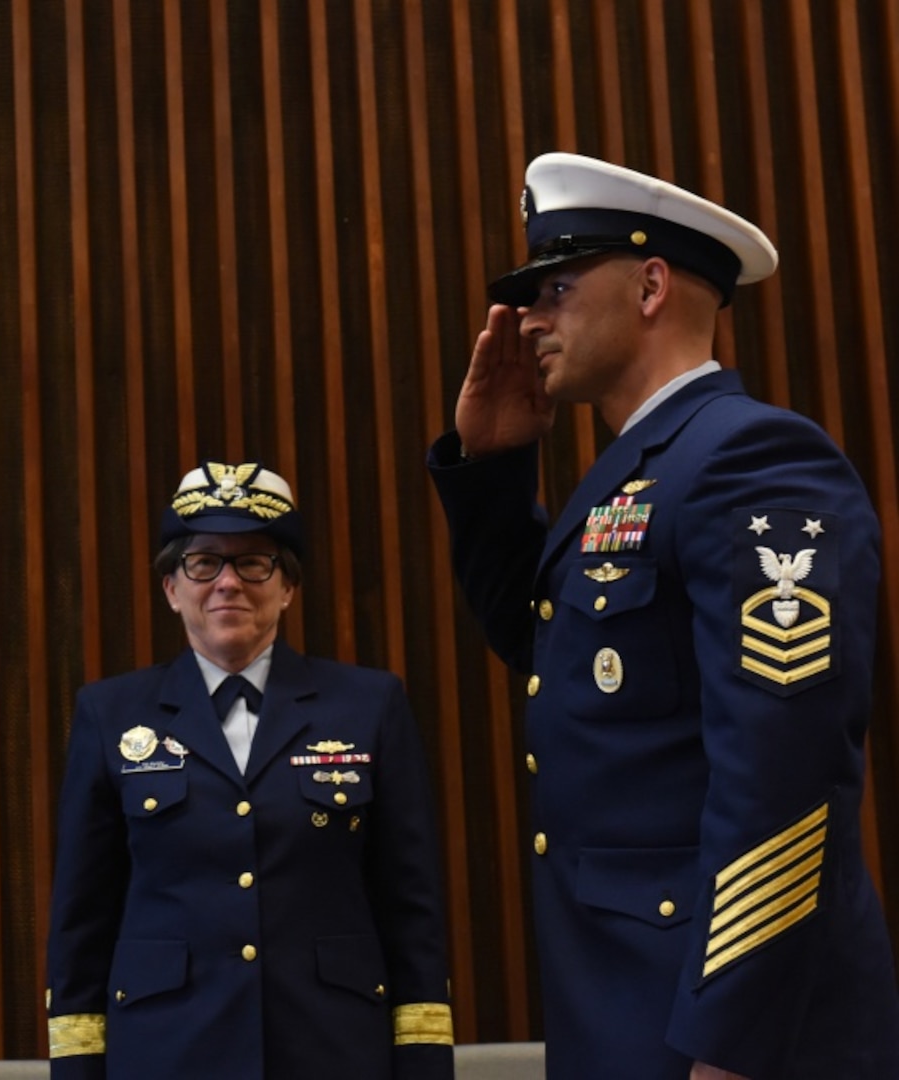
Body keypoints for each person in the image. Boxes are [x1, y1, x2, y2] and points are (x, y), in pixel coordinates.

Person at [427, 152, 899, 1079]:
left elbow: (786, 781)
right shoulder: (632, 476)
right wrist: (491, 474)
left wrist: (729, 1043)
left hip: (724, 1031)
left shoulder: (749, 458)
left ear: (649, 286)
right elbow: (549, 651)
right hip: (625, 1003)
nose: (527, 319)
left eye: (555, 285)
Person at [45, 462, 454, 1079]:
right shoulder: (110, 715)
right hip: (167, 1052)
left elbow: (411, 908)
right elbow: (82, 919)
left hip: (332, 1050)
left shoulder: (370, 707)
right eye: (204, 563)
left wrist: (423, 1064)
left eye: (255, 562)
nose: (228, 583)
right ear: (171, 589)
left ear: (287, 586)